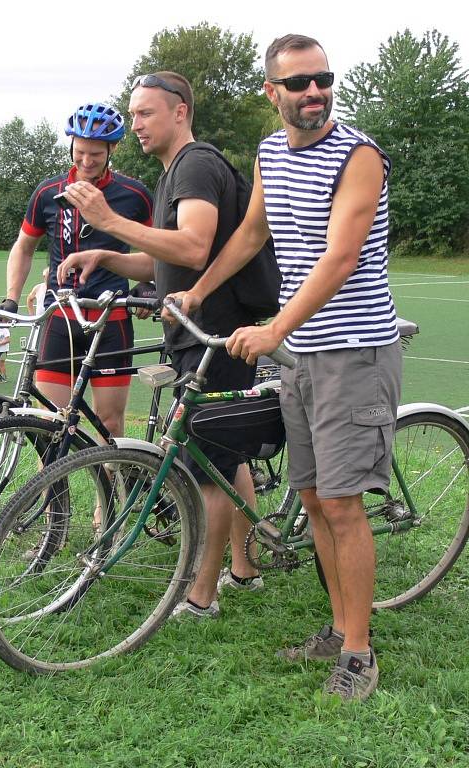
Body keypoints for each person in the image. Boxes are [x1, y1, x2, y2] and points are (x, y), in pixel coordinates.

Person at [166, 35, 402, 701]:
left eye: (322, 79)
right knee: (307, 493)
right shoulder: (271, 151)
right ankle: (338, 625)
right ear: (271, 92)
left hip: (352, 351)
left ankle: (358, 653)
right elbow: (251, 233)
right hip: (301, 353)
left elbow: (341, 257)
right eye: (298, 83)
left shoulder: (358, 156)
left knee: (341, 503)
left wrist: (274, 328)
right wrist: (200, 290)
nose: (313, 92)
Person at [57, 72, 264, 620]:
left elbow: (194, 247)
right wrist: (106, 257)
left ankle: (202, 595)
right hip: (198, 336)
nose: (135, 124)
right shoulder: (175, 171)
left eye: (145, 113)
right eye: (133, 113)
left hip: (215, 336)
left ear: (180, 112)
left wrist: (108, 221)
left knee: (204, 466)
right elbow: (161, 259)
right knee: (224, 455)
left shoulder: (195, 164)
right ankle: (243, 567)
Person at [0, 102, 153, 440]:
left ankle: (109, 493)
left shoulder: (134, 194)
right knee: (48, 426)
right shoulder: (47, 192)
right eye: (80, 151)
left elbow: (157, 248)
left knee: (109, 425)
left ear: (112, 149)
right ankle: (53, 494)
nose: (86, 161)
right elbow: (23, 247)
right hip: (60, 318)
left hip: (110, 318)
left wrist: (145, 283)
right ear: (70, 145)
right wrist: (11, 297)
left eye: (96, 153)